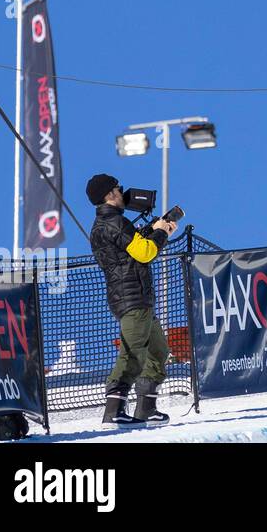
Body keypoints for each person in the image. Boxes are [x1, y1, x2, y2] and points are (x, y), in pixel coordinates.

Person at [87, 173, 176, 425]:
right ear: (110, 195)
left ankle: (146, 408)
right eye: (119, 188)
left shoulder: (109, 223)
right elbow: (145, 253)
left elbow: (131, 252)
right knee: (132, 354)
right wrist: (160, 233)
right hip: (132, 299)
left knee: (158, 350)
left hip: (136, 299)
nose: (122, 192)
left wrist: (153, 230)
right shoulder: (115, 222)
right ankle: (114, 412)